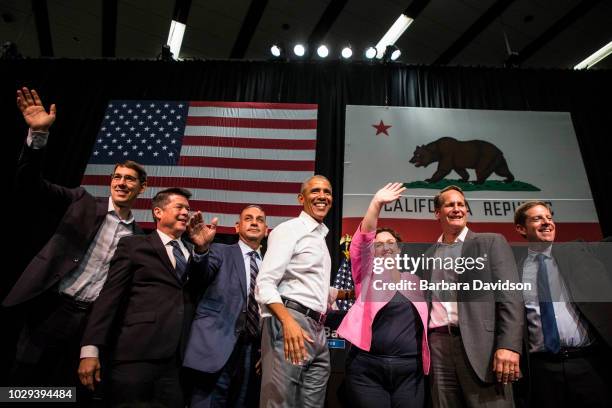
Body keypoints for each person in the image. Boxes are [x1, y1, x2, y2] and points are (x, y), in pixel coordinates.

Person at [4, 87, 147, 387]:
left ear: (141, 189)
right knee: (21, 383)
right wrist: (38, 137)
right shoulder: (81, 201)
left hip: (87, 323)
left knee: (62, 390)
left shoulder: (138, 238)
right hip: (49, 309)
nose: (121, 183)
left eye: (129, 179)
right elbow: (29, 184)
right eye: (117, 177)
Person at [77, 187, 217, 407]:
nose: (185, 213)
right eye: (179, 207)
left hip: (178, 359)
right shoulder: (134, 245)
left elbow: (199, 286)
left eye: (188, 209)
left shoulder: (193, 251)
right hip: (136, 354)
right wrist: (90, 349)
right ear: (158, 212)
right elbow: (109, 298)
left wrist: (201, 250)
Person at [425, 185, 523, 408]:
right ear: (437, 213)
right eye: (450, 204)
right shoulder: (430, 253)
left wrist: (509, 345)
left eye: (461, 204)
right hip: (439, 347)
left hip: (483, 346)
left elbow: (510, 296)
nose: (457, 209)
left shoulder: (490, 242)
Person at [336, 183, 430, 408]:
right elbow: (363, 241)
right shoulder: (366, 275)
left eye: (391, 243)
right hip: (368, 370)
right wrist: (376, 204)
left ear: (399, 249)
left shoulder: (416, 281)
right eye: (379, 245)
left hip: (410, 373)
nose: (386, 247)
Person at [513, 201, 612, 407]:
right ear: (521, 228)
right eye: (537, 218)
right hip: (541, 371)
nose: (547, 223)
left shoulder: (578, 251)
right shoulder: (515, 269)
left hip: (589, 364)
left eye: (549, 218)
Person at [255, 175, 334, 408]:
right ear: (301, 198)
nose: (322, 196)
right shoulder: (289, 230)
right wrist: (288, 322)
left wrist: (349, 294)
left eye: (327, 192)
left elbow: (311, 287)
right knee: (279, 402)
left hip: (318, 329)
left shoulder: (320, 237)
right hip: (290, 321)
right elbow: (265, 283)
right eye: (315, 191)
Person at [183, 204, 268, 407]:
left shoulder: (271, 264)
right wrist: (202, 249)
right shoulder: (219, 251)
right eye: (248, 218)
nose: (255, 222)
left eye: (260, 219)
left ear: (267, 231)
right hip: (216, 345)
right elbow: (197, 277)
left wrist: (266, 350)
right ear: (236, 228)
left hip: (252, 352)